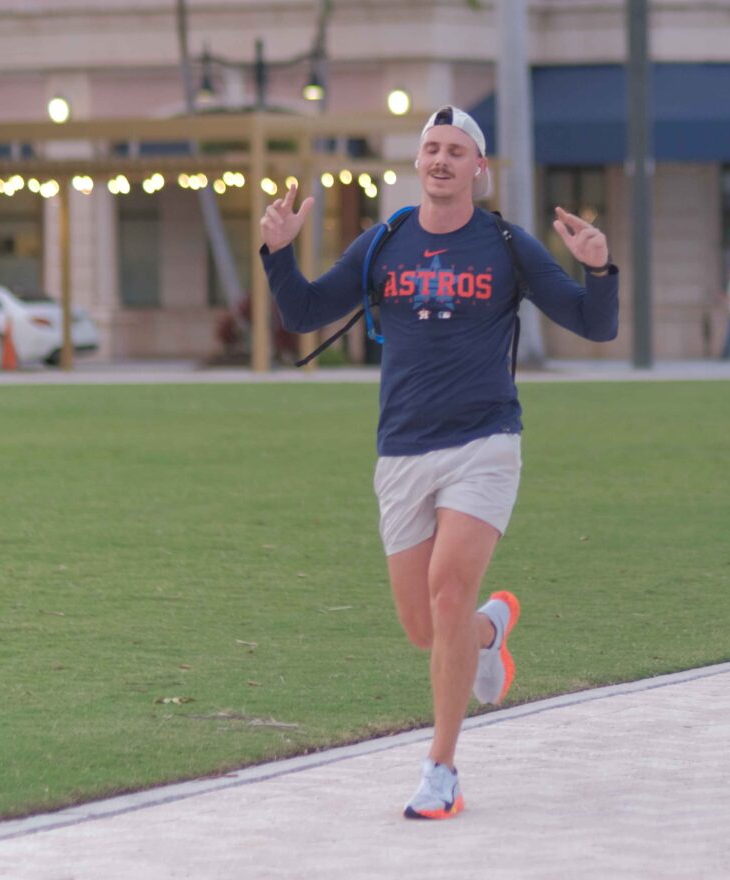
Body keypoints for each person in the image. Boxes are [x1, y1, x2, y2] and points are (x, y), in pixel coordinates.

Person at [258, 105, 618, 820]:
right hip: (401, 449)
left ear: (479, 168)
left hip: (484, 443)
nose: (443, 160)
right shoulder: (384, 239)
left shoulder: (508, 245)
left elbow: (593, 323)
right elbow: (303, 314)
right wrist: (277, 253)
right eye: (432, 149)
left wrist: (599, 267)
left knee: (448, 593)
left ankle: (441, 769)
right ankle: (490, 632)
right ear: (417, 163)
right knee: (427, 629)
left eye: (457, 150)